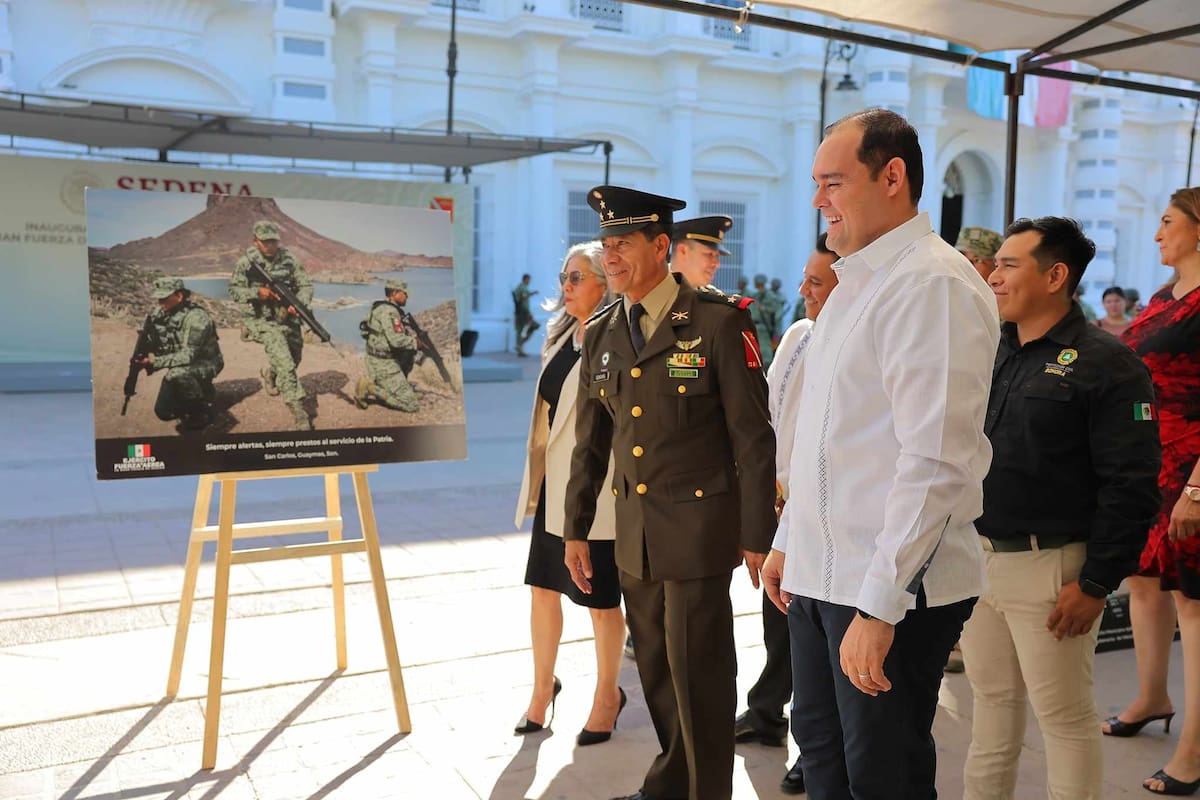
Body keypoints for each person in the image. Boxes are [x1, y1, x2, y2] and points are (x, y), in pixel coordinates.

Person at [762, 108, 1000, 800]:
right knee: (825, 765)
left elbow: (934, 462)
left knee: (882, 778)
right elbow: (826, 440)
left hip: (887, 589)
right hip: (821, 575)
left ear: (892, 176)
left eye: (833, 181)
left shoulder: (932, 284)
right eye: (816, 183)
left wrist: (880, 606)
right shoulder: (855, 286)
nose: (818, 200)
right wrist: (789, 540)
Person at [564, 185, 776, 800]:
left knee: (698, 676)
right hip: (634, 536)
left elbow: (753, 439)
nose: (611, 257)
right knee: (657, 672)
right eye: (605, 245)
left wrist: (757, 535)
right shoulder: (603, 330)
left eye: (623, 243)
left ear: (661, 245)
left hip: (699, 534)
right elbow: (590, 444)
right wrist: (578, 528)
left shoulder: (718, 321)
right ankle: (672, 784)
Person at [961, 217, 1160, 800]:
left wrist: (1096, 582)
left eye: (1008, 265)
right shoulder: (993, 349)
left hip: (1053, 570)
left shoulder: (1107, 363)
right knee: (991, 714)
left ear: (1055, 276)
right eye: (994, 265)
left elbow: (1133, 483)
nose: (993, 277)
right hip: (980, 560)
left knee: (1065, 721)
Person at [735, 231, 839, 797]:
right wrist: (762, 498)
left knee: (819, 645)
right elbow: (771, 414)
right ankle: (770, 714)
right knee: (782, 626)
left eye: (816, 282)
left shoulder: (859, 339)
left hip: (827, 516)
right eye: (805, 278)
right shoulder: (800, 334)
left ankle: (809, 747)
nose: (804, 290)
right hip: (784, 510)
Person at [513, 241, 627, 745]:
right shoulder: (561, 336)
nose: (565, 286)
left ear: (604, 283)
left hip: (598, 496)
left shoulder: (620, 337)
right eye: (563, 276)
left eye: (576, 277)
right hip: (553, 492)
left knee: (600, 601)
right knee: (543, 590)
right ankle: (542, 689)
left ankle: (608, 695)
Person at [1109, 186, 1200, 796]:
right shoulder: (1166, 298)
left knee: (1193, 603)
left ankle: (1193, 748)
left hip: (1192, 465)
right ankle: (1151, 696)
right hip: (1151, 461)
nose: (1157, 233)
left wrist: (1198, 489)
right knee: (1143, 580)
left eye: (1167, 222)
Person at [229, 219, 314, 430]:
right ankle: (298, 410)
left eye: (273, 242)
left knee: (294, 357)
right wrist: (257, 293)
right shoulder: (245, 263)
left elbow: (305, 284)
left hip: (286, 317)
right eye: (265, 242)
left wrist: (299, 304)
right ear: (255, 241)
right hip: (261, 320)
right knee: (285, 362)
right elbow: (234, 291)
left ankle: (271, 374)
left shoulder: (289, 260)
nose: (270, 246)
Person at [136, 277, 223, 431]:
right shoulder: (164, 310)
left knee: (176, 375)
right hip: (186, 356)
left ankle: (201, 414)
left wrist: (155, 361)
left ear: (179, 296)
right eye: (158, 299)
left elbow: (188, 356)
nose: (160, 304)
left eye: (164, 299)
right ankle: (204, 390)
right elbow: (158, 334)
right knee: (164, 412)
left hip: (207, 361)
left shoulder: (197, 318)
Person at [354, 279, 421, 413]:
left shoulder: (378, 306)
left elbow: (365, 332)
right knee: (412, 405)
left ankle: (399, 388)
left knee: (408, 354)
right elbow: (396, 341)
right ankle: (369, 388)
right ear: (394, 293)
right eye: (404, 293)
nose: (407, 296)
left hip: (373, 358)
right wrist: (416, 343)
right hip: (384, 364)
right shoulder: (391, 312)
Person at [670, 215, 732, 289]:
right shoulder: (654, 289)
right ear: (683, 251)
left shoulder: (711, 297)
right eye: (709, 254)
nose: (717, 264)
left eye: (717, 256)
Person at [749, 273, 778, 368]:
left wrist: (762, 308)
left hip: (763, 326)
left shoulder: (769, 295)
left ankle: (766, 368)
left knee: (765, 350)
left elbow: (774, 309)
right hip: (754, 325)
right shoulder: (756, 295)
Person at [512, 273, 540, 356]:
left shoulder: (520, 288)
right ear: (525, 279)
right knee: (534, 325)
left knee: (520, 330)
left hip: (520, 313)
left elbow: (521, 297)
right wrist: (528, 313)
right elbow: (522, 298)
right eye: (528, 280)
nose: (529, 282)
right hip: (523, 313)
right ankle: (519, 345)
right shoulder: (522, 288)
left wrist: (531, 294)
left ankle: (520, 348)